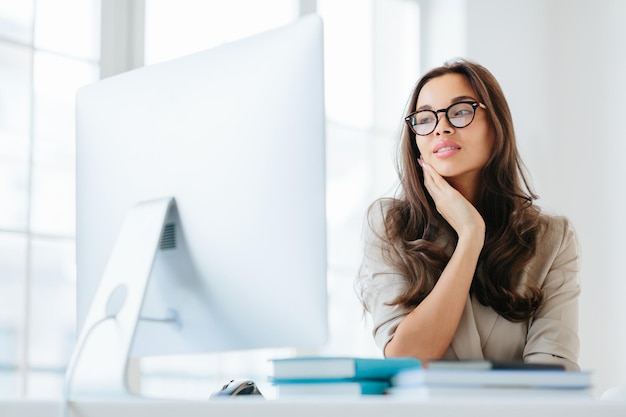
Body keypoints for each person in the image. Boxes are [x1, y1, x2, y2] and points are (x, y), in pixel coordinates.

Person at [355, 58, 580, 371]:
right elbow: (406, 358)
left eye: (461, 111)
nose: (442, 127)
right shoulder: (390, 225)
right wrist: (470, 236)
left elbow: (553, 371)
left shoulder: (551, 237)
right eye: (424, 118)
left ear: (496, 125)